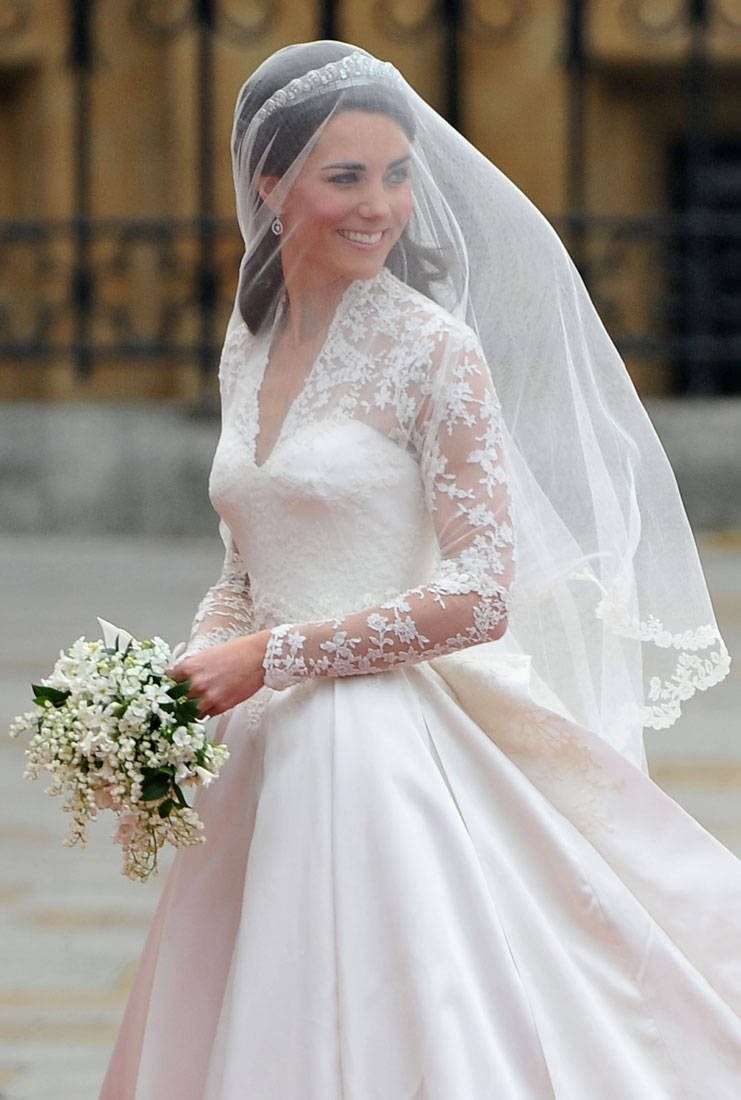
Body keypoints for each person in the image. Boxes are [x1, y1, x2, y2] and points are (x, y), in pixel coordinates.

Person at [99, 41, 741, 1099]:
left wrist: (273, 656)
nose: (382, 205)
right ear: (271, 181)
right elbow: (244, 562)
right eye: (345, 176)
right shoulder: (248, 340)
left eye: (395, 174)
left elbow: (483, 591)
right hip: (262, 740)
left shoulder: (434, 350)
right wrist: (180, 679)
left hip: (383, 741)